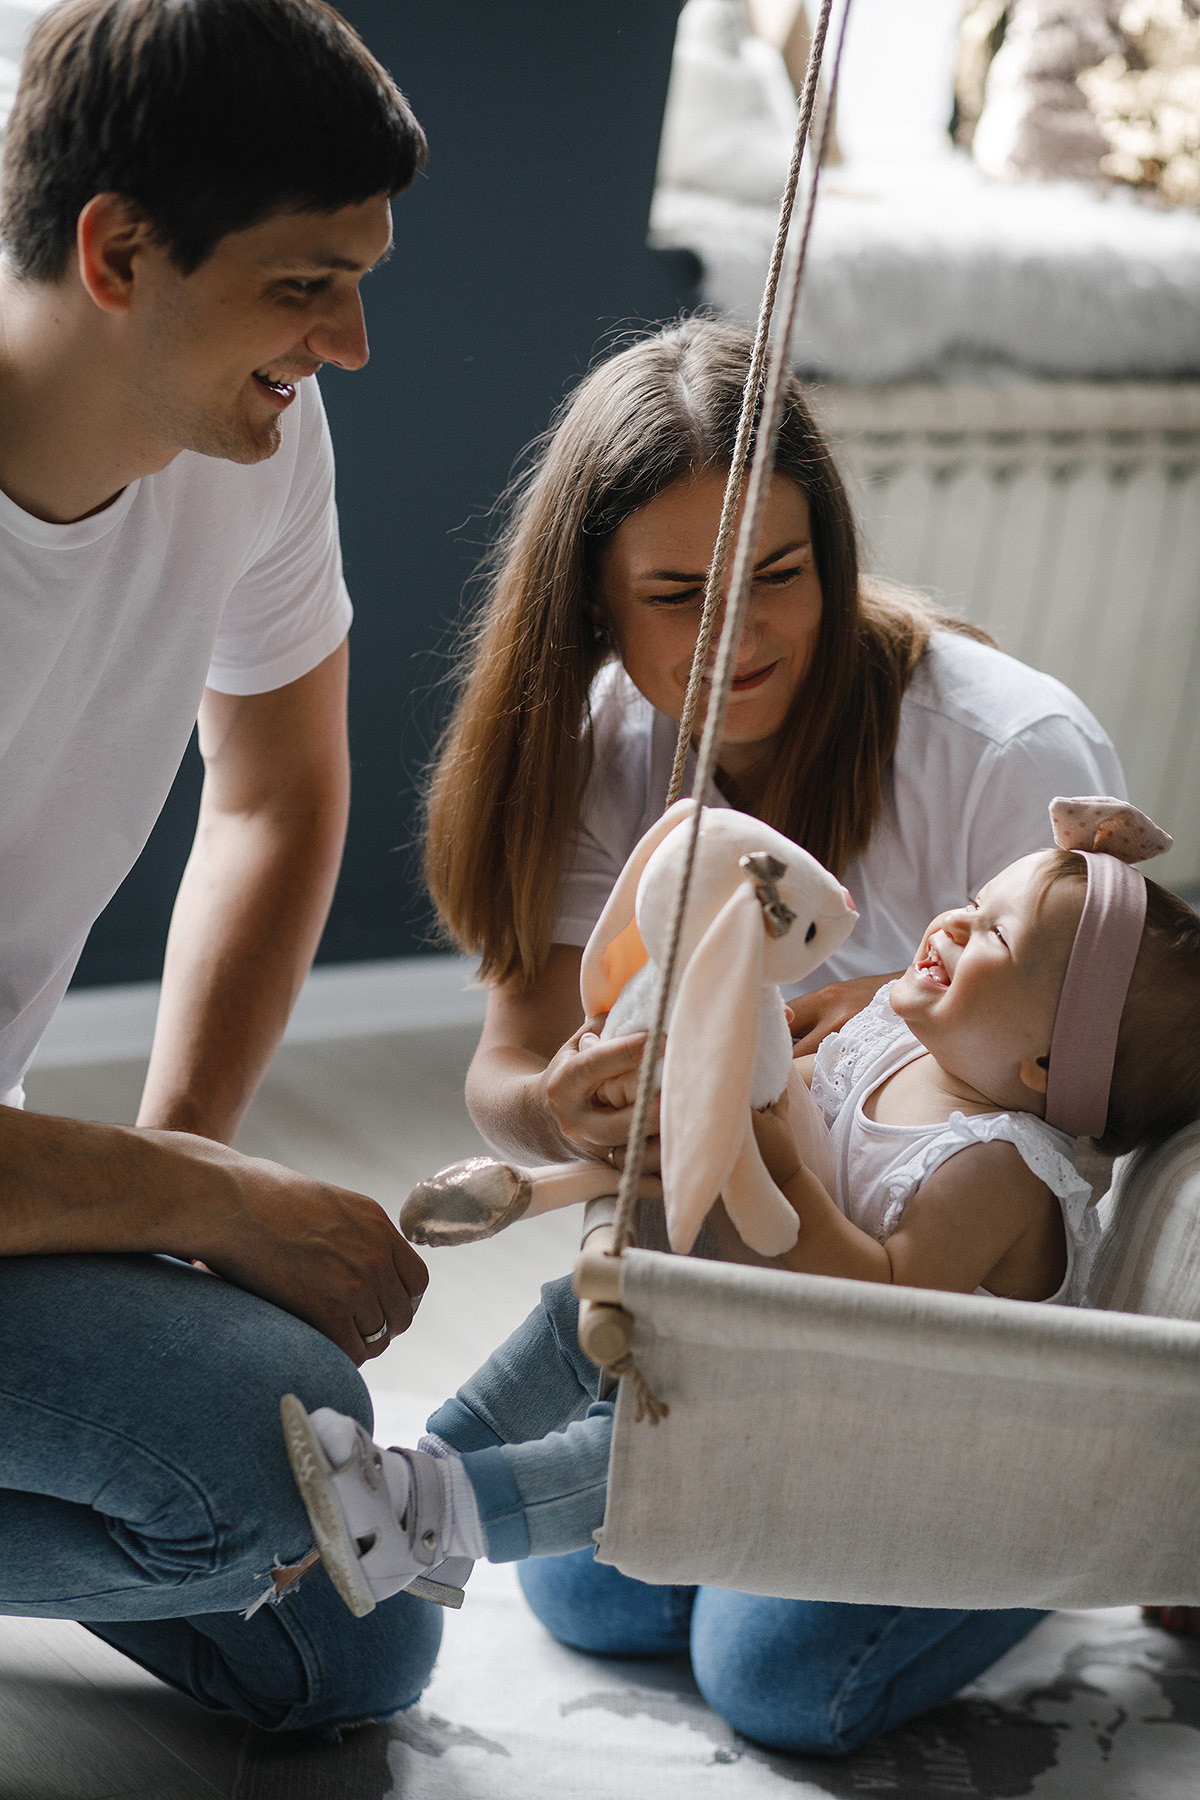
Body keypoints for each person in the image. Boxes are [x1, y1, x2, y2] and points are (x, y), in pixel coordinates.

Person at [415, 315, 1130, 1750]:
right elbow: (509, 1077)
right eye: (677, 594)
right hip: (735, 1315)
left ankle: (1044, 1556)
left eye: (780, 577)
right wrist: (566, 1107)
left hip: (950, 1363)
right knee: (594, 1600)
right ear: (595, 609)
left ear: (836, 556)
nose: (739, 638)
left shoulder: (1005, 751)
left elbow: (1100, 1117)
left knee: (776, 1676)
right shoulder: (605, 743)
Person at [284, 809, 1200, 1746]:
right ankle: (429, 1466)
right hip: (795, 1385)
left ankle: (1015, 1596)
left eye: (993, 934)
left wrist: (778, 1163)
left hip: (903, 1468)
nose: (954, 923)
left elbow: (874, 1306)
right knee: (580, 1552)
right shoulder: (894, 1029)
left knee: (767, 1687)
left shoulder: (999, 1169)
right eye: (972, 902)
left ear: (1043, 1064)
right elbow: (782, 1084)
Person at [0, 0, 437, 1737]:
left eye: (362, 277)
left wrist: (186, 1158)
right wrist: (220, 1210)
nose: (346, 343)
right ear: (117, 250)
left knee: (351, 1637)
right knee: (272, 1481)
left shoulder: (240, 439)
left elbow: (272, 787)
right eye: (304, 283)